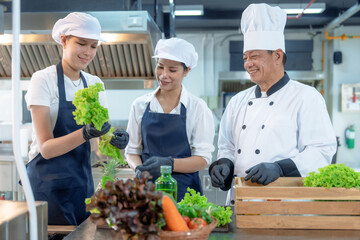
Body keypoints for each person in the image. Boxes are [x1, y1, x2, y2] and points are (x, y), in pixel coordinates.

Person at [209, 3, 337, 203]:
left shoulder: (306, 97)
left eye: (254, 56)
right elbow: (227, 147)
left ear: (277, 56)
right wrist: (224, 165)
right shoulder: (237, 102)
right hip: (239, 203)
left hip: (283, 206)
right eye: (245, 58)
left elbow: (321, 151)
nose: (248, 64)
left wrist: (280, 168)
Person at [24, 12, 129, 225]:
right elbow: (46, 148)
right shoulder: (43, 80)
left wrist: (115, 139)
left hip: (81, 185)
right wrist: (84, 133)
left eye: (93, 46)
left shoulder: (94, 83)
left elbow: (101, 140)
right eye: (82, 43)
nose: (88, 52)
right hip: (47, 188)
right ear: (64, 40)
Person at [125, 38, 215, 202]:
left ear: (186, 71)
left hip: (184, 195)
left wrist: (169, 164)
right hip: (146, 193)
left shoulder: (197, 108)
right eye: (160, 66)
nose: (164, 75)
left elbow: (203, 160)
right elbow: (132, 151)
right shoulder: (140, 105)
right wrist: (137, 168)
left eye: (172, 70)